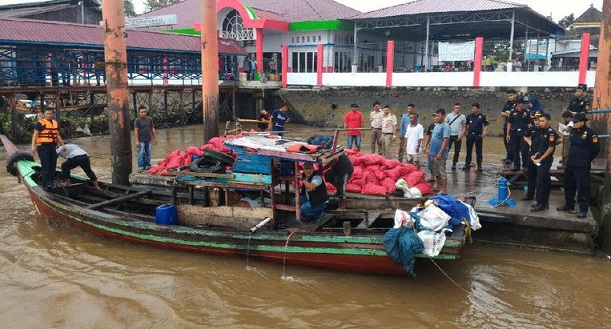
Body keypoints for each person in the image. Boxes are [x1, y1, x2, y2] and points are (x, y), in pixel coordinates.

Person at [557, 113, 600, 218]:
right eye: (573, 122)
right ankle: (569, 205)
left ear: (582, 122)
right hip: (571, 163)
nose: (574, 124)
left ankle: (583, 209)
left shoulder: (590, 133)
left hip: (582, 165)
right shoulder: (572, 132)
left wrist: (586, 159)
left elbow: (595, 150)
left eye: (576, 122)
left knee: (582, 188)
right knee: (568, 185)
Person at [529, 114, 559, 212]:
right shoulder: (542, 131)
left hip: (545, 159)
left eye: (542, 121)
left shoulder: (551, 133)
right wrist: (536, 154)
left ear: (548, 121)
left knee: (540, 182)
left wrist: (540, 159)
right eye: (539, 121)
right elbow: (542, 147)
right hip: (540, 157)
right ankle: (544, 203)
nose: (540, 123)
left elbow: (550, 148)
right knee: (545, 181)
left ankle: (540, 204)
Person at [31, 108, 67, 189]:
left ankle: (51, 182)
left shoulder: (55, 123)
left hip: (52, 146)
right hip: (43, 147)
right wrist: (33, 146)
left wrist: (62, 145)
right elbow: (35, 135)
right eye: (47, 114)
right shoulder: (40, 123)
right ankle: (45, 184)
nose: (49, 115)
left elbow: (57, 135)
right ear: (44, 114)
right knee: (46, 165)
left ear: (52, 114)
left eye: (50, 114)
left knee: (53, 165)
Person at [506, 96, 532, 171]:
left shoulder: (526, 112)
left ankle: (525, 166)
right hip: (514, 133)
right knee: (515, 150)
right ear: (518, 104)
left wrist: (530, 134)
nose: (523, 105)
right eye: (522, 103)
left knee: (524, 150)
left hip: (524, 133)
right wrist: (508, 134)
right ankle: (516, 165)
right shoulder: (513, 112)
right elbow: (509, 123)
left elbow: (530, 123)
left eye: (524, 103)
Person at [429, 109, 451, 194]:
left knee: (442, 170)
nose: (437, 117)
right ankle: (438, 186)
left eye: (438, 116)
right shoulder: (437, 125)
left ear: (443, 116)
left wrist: (440, 152)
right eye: (436, 116)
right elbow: (433, 137)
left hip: (440, 153)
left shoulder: (446, 127)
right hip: (433, 152)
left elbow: (445, 140)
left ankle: (444, 189)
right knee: (436, 170)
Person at [522, 113, 543, 202]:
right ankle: (529, 195)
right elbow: (525, 136)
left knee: (540, 177)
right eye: (535, 120)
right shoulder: (532, 129)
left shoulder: (546, 130)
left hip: (542, 156)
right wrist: (529, 142)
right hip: (531, 155)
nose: (537, 122)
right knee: (531, 176)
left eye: (539, 120)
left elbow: (558, 140)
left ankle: (540, 198)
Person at [463, 103, 489, 171]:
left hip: (478, 135)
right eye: (472, 109)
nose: (473, 110)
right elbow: (465, 124)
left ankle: (479, 165)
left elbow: (486, 125)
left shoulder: (482, 116)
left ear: (478, 109)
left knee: (479, 151)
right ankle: (467, 164)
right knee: (469, 150)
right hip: (470, 135)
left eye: (475, 109)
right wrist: (465, 132)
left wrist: (484, 133)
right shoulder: (469, 116)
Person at [134, 105, 157, 173]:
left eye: (145, 111)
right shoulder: (137, 120)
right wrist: (137, 141)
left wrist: (155, 138)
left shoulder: (149, 119)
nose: (143, 113)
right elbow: (136, 131)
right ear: (139, 113)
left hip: (148, 139)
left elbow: (152, 129)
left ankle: (148, 166)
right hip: (141, 140)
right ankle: (141, 166)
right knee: (140, 153)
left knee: (148, 153)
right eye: (142, 112)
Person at [445, 102, 467, 169]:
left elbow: (464, 127)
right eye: (456, 108)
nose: (457, 109)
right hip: (449, 135)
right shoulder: (449, 116)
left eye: (458, 108)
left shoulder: (463, 116)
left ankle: (454, 163)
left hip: (458, 135)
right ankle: (444, 161)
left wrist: (462, 135)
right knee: (446, 149)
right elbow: (445, 125)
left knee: (457, 151)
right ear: (453, 108)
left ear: (460, 108)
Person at [501, 90, 517, 164]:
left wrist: (509, 113)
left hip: (514, 125)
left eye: (511, 95)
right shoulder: (507, 103)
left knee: (512, 142)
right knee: (506, 141)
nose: (509, 97)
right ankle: (509, 157)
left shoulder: (518, 103)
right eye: (508, 96)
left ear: (515, 95)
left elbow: (516, 114)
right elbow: (502, 113)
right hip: (506, 124)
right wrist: (509, 114)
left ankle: (512, 158)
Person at [423, 114, 436, 181]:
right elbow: (428, 136)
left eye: (436, 116)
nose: (435, 118)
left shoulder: (443, 126)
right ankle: (432, 176)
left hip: (438, 148)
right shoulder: (431, 126)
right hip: (431, 147)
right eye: (434, 116)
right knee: (430, 163)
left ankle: (439, 178)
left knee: (438, 163)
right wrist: (425, 146)